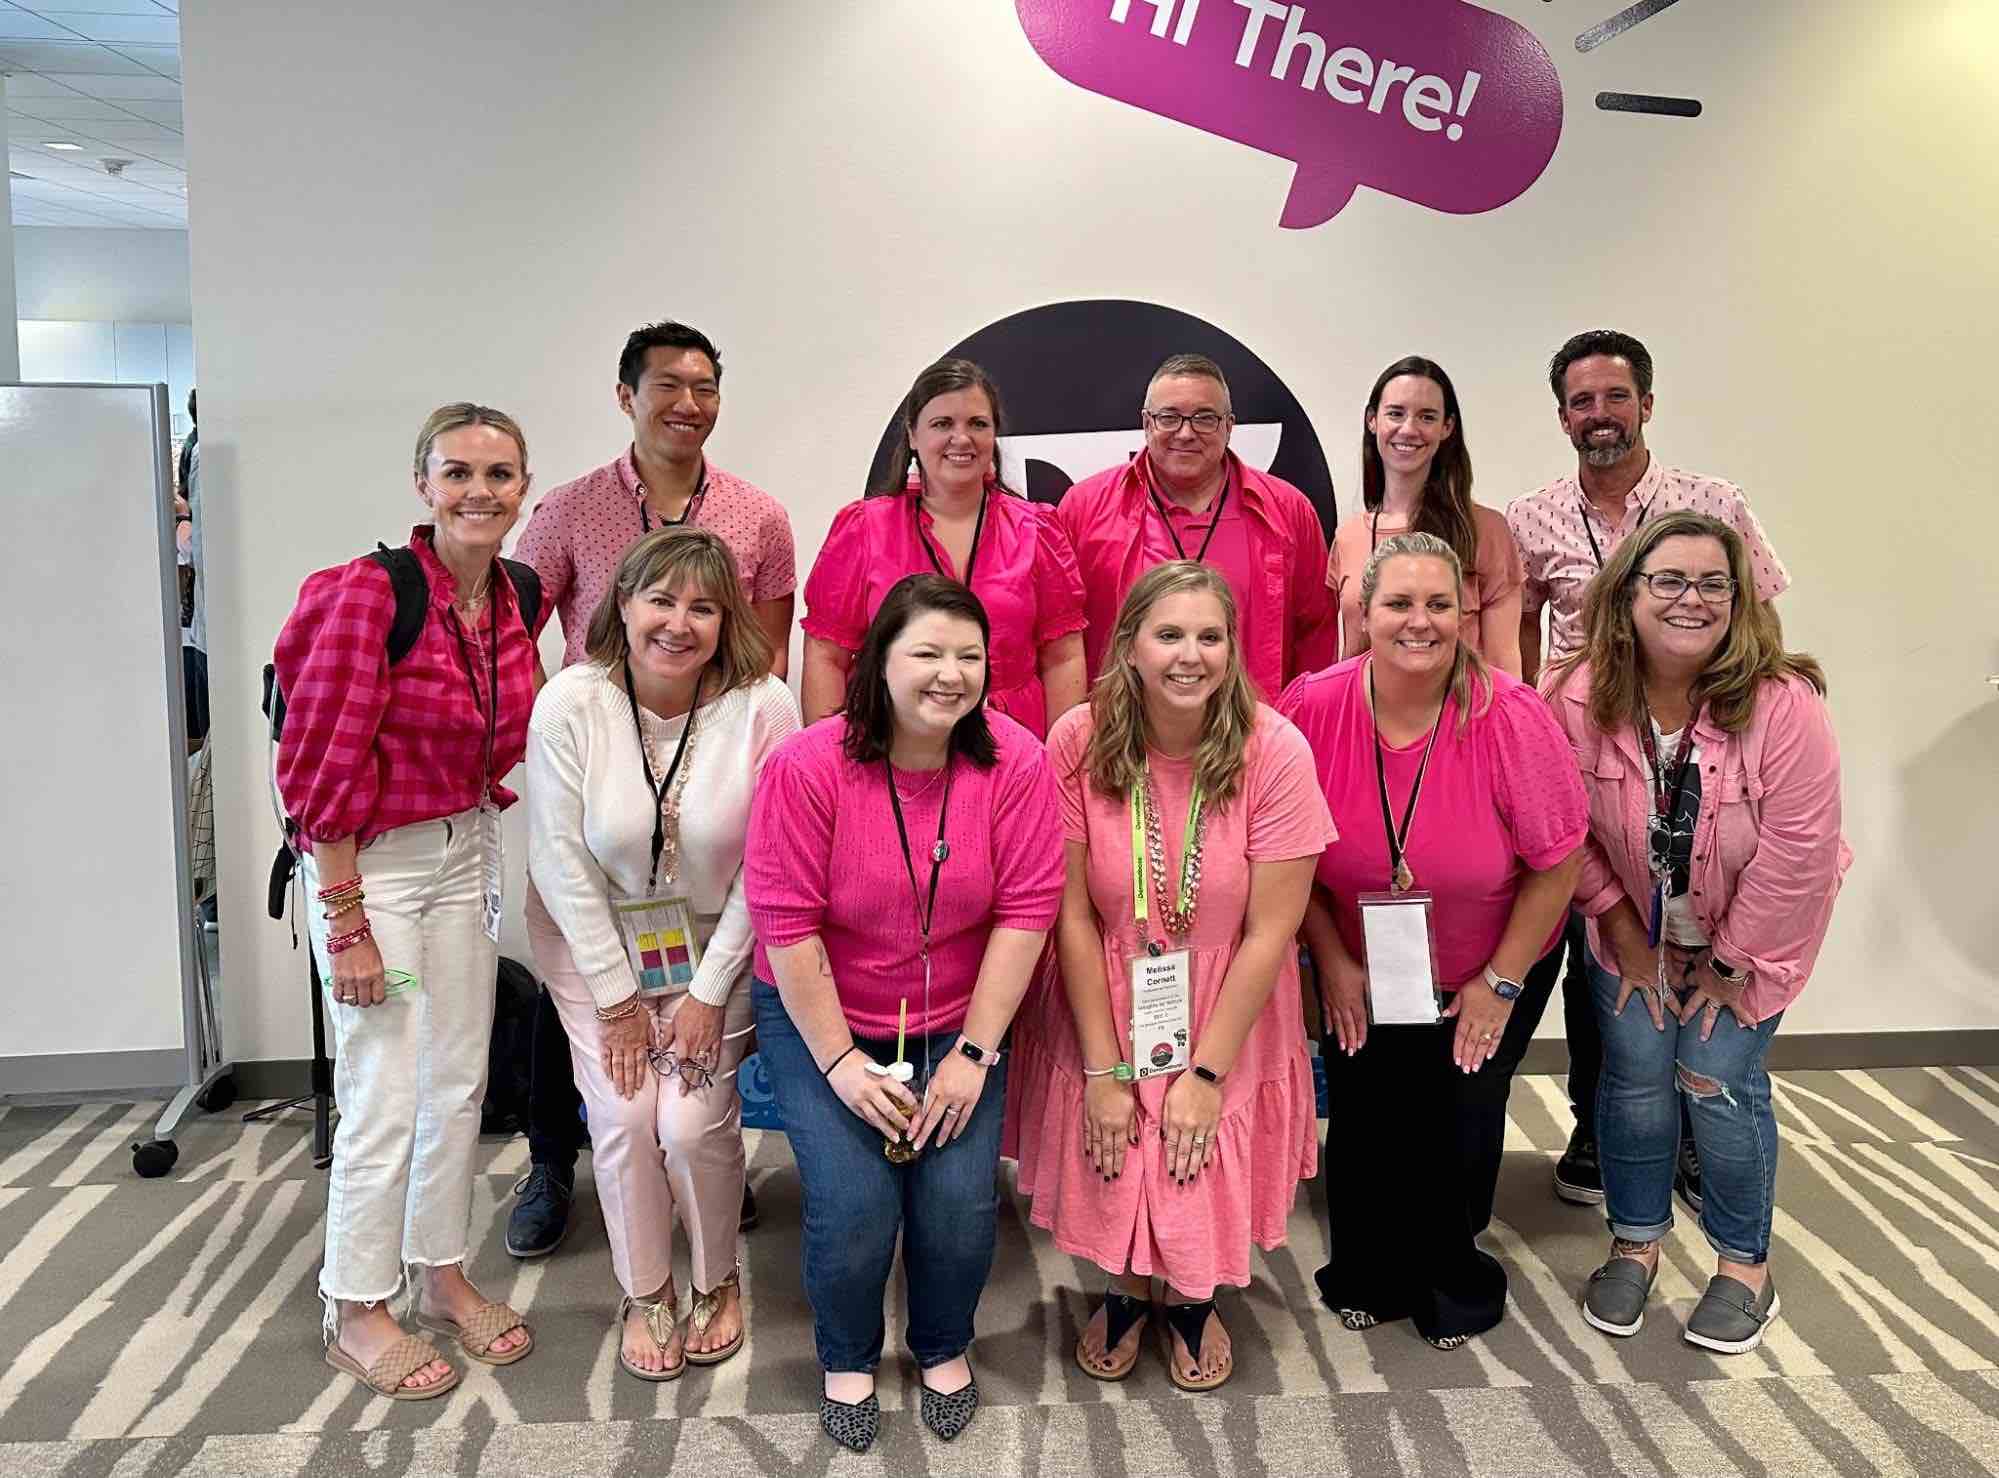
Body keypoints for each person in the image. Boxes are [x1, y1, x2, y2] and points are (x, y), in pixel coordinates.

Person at [744, 575, 1062, 1453]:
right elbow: (785, 926)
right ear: (878, 662)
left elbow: (1027, 910)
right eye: (926, 653)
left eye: (969, 656)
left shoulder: (1016, 760)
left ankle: (941, 1346)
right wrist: (843, 1065)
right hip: (822, 1017)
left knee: (958, 1204)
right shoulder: (807, 765)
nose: (949, 675)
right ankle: (847, 1355)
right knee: (852, 1207)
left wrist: (971, 1053)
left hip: (959, 1019)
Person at [1008, 561, 1333, 1392]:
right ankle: (1122, 1287)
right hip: (1101, 985)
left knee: (1192, 1141)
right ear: (1129, 647)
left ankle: (1190, 1296)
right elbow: (1071, 916)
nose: (1190, 655)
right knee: (1117, 1142)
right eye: (1169, 634)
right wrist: (1102, 1068)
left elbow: (1272, 929)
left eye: (1209, 636)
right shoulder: (1077, 739)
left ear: (1231, 648)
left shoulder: (1274, 747)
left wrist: (1207, 1072)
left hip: (1230, 995)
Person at [508, 319, 797, 1256]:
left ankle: (699, 1170)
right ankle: (553, 1164)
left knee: (678, 1103)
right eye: (667, 384)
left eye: (705, 386)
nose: (687, 403)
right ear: (625, 394)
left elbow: (768, 650)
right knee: (603, 1066)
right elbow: (513, 637)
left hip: (701, 795)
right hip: (598, 796)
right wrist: (547, 736)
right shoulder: (565, 507)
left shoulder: (757, 515)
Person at [273, 403, 542, 1398]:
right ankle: (355, 1302)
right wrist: (343, 922)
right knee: (384, 1084)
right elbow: (317, 770)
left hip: (465, 848)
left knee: (458, 1080)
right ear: (422, 483)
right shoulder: (366, 595)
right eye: (458, 471)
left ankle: (440, 1272)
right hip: (369, 868)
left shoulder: (517, 592)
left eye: (501, 473)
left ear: (524, 486)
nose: (480, 491)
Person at [1545, 512, 1846, 1353]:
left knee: (1715, 1080)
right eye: (1669, 580)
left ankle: (1744, 1267)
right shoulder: (1572, 693)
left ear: (1739, 598)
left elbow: (1800, 852)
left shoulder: (1784, 703)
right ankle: (1634, 1242)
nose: (1691, 599)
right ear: (1627, 594)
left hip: (1749, 941)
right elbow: (1561, 828)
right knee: (1636, 1078)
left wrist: (1725, 963)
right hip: (1629, 933)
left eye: (1713, 582)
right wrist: (1621, 929)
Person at [1506, 329, 1790, 1211]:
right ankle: (1604, 1127)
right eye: (1582, 402)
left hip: (1698, 748)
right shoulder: (1530, 517)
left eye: (1615, 398)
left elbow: (1760, 616)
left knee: (1704, 934)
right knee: (1606, 943)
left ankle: (1700, 1134)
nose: (1600, 416)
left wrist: (1762, 714)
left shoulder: (1710, 501)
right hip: (1588, 758)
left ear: (1647, 406)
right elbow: (1519, 647)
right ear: (1561, 416)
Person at [1282, 532, 1586, 1350]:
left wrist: (1499, 983)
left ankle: (1453, 1280)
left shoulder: (1511, 718)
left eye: (1439, 604)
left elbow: (1556, 867)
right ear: (1364, 612)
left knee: (1456, 1117)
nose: (1419, 622)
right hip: (1355, 954)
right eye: (1398, 603)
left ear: (1465, 613)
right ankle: (1368, 1275)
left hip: (1494, 954)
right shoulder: (1309, 707)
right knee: (1367, 1115)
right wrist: (1331, 959)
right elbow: (1283, 857)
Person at [526, 527, 800, 1380]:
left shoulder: (764, 704)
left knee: (684, 1124)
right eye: (660, 600)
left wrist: (710, 991)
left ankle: (715, 1279)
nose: (678, 623)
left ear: (729, 622)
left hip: (718, 946)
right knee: (621, 1115)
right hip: (588, 941)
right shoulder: (572, 699)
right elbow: (558, 857)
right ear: (622, 604)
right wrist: (614, 998)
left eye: (703, 606)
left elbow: (773, 862)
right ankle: (646, 1290)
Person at [800, 357, 1087, 736]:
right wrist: (832, 762)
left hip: (1013, 746)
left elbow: (1063, 658)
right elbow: (826, 656)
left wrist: (1056, 764)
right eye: (942, 424)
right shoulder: (864, 529)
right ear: (912, 435)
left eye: (978, 424)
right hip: (890, 742)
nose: (962, 438)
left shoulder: (1038, 531)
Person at [1057, 353, 1336, 701]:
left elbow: (1315, 635)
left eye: (1205, 418)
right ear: (1147, 424)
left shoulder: (1288, 511)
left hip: (1251, 735)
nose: (1186, 433)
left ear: (1229, 426)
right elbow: (1060, 645)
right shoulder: (1083, 510)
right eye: (1169, 418)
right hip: (1123, 737)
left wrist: (1296, 729)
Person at [1328, 356, 1523, 674]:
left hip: (1464, 718)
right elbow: (1348, 662)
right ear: (1372, 420)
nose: (1409, 429)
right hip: (1371, 719)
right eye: (1396, 413)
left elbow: (1504, 664)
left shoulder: (1485, 530)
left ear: (1447, 427)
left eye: (1426, 416)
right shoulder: (1348, 538)